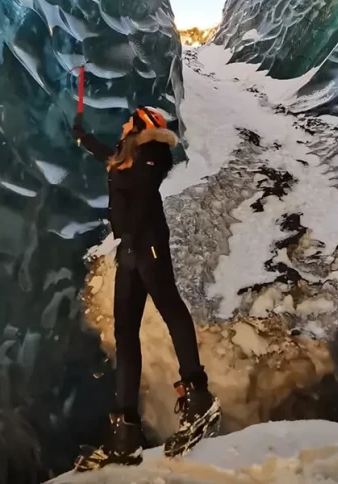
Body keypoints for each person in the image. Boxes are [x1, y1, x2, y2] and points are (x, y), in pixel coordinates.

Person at [72, 105, 219, 468]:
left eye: (128, 121)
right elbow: (114, 159)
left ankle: (198, 397)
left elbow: (139, 183)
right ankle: (125, 434)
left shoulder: (153, 154)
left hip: (148, 245)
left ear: (140, 128)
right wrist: (83, 137)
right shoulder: (131, 155)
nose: (122, 125)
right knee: (126, 335)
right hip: (130, 252)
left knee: (171, 309)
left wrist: (133, 238)